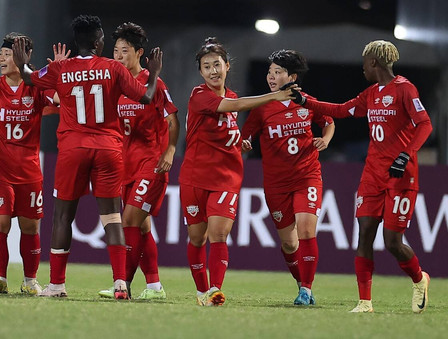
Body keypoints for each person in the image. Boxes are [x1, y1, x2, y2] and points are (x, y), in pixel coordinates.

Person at [12, 14, 162, 299]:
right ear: (97, 42)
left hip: (73, 149)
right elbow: (145, 97)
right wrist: (153, 72)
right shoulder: (112, 68)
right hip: (108, 149)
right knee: (112, 217)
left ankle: (56, 286)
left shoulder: (61, 69)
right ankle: (120, 284)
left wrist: (23, 63)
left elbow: (31, 79)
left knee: (62, 218)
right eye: (103, 37)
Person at [291, 40, 432, 313]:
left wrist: (406, 155)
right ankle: (365, 301)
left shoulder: (405, 89)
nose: (362, 67)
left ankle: (419, 279)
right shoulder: (371, 94)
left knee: (392, 242)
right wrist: (306, 102)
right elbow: (341, 110)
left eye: (364, 62)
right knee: (365, 233)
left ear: (374, 63)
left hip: (400, 175)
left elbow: (424, 124)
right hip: (372, 174)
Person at [179, 37, 297, 306]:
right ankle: (200, 291)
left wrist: (239, 141)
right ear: (200, 72)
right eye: (206, 66)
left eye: (217, 65)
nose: (212, 71)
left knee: (219, 234)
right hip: (195, 175)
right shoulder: (199, 95)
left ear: (227, 66)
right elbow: (235, 106)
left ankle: (215, 290)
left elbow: (227, 125)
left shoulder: (230, 96)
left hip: (226, 177)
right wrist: (276, 96)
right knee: (197, 238)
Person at [241, 49, 334, 305]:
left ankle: (306, 289)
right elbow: (244, 136)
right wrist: (245, 143)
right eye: (270, 72)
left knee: (306, 230)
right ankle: (301, 282)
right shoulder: (262, 108)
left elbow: (328, 120)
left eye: (278, 72)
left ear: (292, 76)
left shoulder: (306, 101)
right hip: (276, 183)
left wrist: (324, 139)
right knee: (290, 244)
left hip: (307, 176)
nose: (271, 77)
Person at [0, 32, 58, 295]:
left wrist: (55, 74)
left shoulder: (36, 88)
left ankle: (30, 281)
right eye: (1, 54)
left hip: (29, 172)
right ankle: (0, 279)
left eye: (8, 54)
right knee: (0, 224)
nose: (2, 59)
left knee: (30, 227)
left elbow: (61, 102)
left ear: (24, 57)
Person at [98, 22, 179, 300]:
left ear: (139, 53)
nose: (118, 56)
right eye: (115, 50)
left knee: (130, 222)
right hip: (124, 166)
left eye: (124, 50)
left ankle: (122, 284)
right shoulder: (113, 83)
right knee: (141, 227)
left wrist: (169, 151)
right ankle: (155, 286)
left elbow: (172, 119)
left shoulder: (154, 83)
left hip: (152, 164)